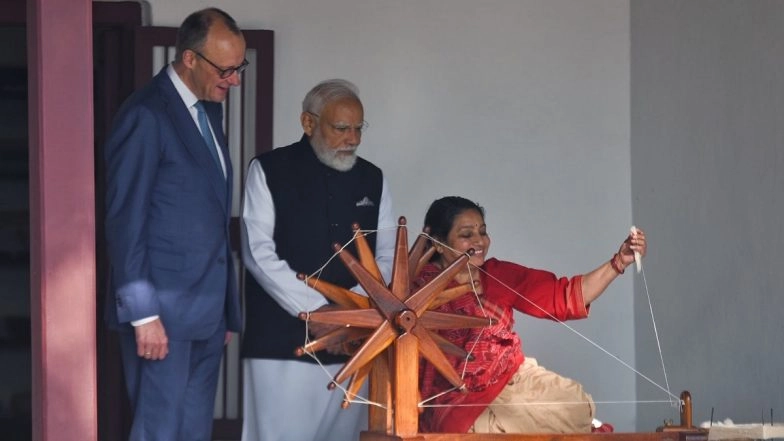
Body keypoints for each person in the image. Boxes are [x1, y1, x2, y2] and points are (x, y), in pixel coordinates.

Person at [103, 8, 245, 441]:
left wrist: (223, 308)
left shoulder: (208, 112)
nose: (235, 80)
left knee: (192, 432)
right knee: (158, 432)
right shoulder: (146, 115)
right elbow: (125, 219)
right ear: (189, 59)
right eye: (226, 69)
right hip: (160, 316)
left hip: (205, 314)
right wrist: (142, 312)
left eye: (240, 67)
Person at [240, 79, 396, 441]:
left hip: (353, 341)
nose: (352, 138)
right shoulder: (268, 169)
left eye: (359, 128)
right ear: (308, 123)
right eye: (341, 128)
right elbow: (257, 252)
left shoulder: (373, 179)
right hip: (281, 342)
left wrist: (349, 311)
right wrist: (318, 312)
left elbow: (386, 255)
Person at [413, 196, 647, 434]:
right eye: (466, 235)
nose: (479, 241)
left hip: (512, 377)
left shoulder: (497, 275)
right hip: (457, 398)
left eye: (482, 232)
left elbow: (562, 297)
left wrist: (620, 261)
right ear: (439, 243)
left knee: (577, 405)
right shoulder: (415, 292)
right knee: (472, 430)